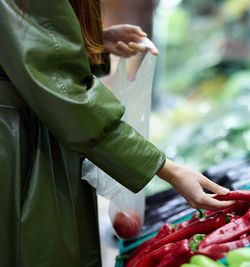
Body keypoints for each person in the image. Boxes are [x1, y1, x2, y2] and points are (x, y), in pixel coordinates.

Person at [0, 0, 233, 266]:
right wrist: (167, 169)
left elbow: (27, 45)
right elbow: (66, 94)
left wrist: (91, 42)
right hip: (19, 143)